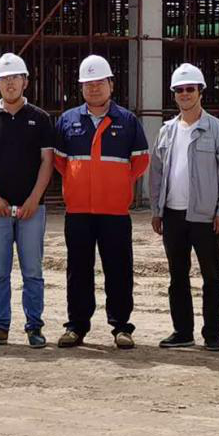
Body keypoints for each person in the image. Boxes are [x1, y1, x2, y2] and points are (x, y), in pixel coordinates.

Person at [53, 54, 149, 350]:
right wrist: (81, 183)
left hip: (114, 211)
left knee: (119, 269)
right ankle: (76, 326)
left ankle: (121, 326)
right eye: (88, 83)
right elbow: (60, 162)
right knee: (78, 270)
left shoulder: (127, 121)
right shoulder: (67, 120)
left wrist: (114, 184)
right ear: (81, 87)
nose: (94, 88)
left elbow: (140, 162)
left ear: (111, 84)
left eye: (99, 82)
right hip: (78, 211)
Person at [148, 63, 219, 352]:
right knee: (177, 276)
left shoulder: (218, 130)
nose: (185, 94)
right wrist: (157, 210)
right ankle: (182, 332)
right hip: (173, 214)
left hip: (205, 216)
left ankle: (212, 334)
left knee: (211, 276)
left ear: (201, 92)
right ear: (174, 94)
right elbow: (156, 173)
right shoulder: (167, 131)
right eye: (179, 90)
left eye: (190, 89)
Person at [0, 53, 55, 348]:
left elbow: (47, 161)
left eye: (15, 77)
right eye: (4, 79)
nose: (10, 83)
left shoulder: (40, 119)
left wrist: (34, 199)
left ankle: (34, 326)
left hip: (33, 208)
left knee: (33, 271)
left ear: (25, 82)